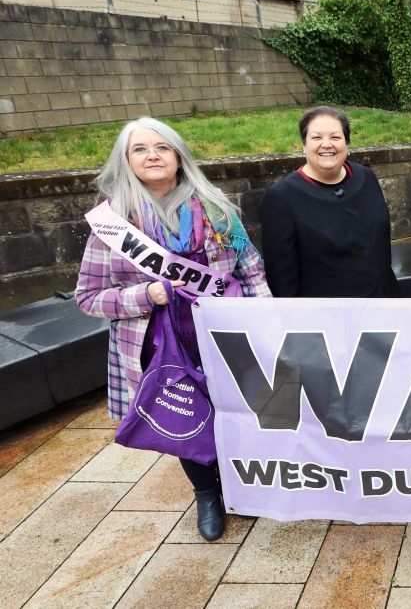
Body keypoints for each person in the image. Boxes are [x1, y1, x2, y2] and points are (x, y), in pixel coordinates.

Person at [76, 117, 271, 541]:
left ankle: (241, 483)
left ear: (179, 155)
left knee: (237, 411)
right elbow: (88, 298)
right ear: (126, 161)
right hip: (158, 344)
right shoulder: (111, 226)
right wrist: (147, 295)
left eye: (162, 147)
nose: (153, 156)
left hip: (222, 333)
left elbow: (251, 268)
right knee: (183, 416)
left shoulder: (216, 210)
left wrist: (264, 319)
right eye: (140, 149)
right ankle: (206, 494)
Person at [260, 105, 399, 298]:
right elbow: (282, 280)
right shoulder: (281, 198)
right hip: (329, 318)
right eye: (316, 137)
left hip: (383, 305)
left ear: (346, 144)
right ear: (304, 145)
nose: (327, 144)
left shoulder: (366, 177)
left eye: (335, 137)